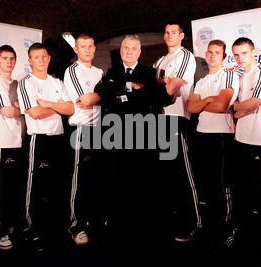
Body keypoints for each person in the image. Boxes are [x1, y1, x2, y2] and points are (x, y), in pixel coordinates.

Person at [96, 34, 160, 242]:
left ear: (140, 52)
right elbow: (105, 93)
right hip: (116, 131)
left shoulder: (149, 72)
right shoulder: (112, 71)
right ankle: (118, 221)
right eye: (126, 48)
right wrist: (133, 89)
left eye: (133, 49)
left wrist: (122, 91)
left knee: (141, 176)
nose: (129, 52)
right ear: (121, 51)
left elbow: (148, 97)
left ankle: (141, 222)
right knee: (118, 175)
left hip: (142, 131)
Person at [17, 43, 73, 251]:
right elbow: (34, 113)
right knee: (36, 187)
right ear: (30, 60)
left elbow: (71, 108)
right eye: (36, 57)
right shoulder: (26, 83)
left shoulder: (57, 82)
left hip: (58, 139)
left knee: (57, 186)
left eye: (43, 56)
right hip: (39, 140)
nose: (40, 60)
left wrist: (48, 104)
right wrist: (57, 106)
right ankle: (32, 230)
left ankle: (54, 229)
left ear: (48, 59)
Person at [227, 37, 261, 250]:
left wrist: (238, 108)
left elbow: (252, 103)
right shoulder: (241, 77)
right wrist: (239, 108)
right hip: (242, 139)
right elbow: (237, 109)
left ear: (253, 53)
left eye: (244, 53)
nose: (240, 58)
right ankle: (243, 233)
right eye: (236, 55)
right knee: (243, 190)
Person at [49, 34, 103, 245]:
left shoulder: (100, 72)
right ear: (77, 50)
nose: (87, 50)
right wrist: (102, 95)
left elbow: (99, 98)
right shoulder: (71, 70)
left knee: (94, 178)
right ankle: (75, 225)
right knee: (77, 180)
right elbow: (84, 100)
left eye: (90, 46)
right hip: (79, 128)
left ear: (94, 48)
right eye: (83, 47)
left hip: (98, 128)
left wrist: (99, 96)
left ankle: (92, 220)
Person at [187, 39, 239, 247]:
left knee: (222, 185)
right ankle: (211, 226)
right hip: (202, 134)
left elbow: (222, 105)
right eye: (209, 52)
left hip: (221, 135)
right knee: (206, 184)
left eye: (216, 52)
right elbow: (192, 108)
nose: (212, 55)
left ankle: (228, 229)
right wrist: (209, 100)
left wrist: (204, 102)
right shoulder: (201, 81)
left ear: (224, 56)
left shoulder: (229, 75)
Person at [153, 24, 201, 242]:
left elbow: (173, 88)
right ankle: (173, 217)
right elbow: (151, 87)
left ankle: (194, 222)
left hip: (176, 118)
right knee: (166, 172)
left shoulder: (185, 56)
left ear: (181, 36)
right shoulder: (160, 61)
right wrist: (161, 82)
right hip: (159, 118)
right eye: (167, 32)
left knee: (182, 171)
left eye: (174, 32)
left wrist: (159, 84)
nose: (169, 35)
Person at [0, 45, 26, 250]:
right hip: (4, 142)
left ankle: (13, 226)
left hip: (21, 141)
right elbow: (8, 111)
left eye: (12, 58)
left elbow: (24, 108)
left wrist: (20, 106)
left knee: (17, 189)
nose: (8, 62)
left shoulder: (19, 83)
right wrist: (24, 107)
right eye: (4, 58)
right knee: (0, 190)